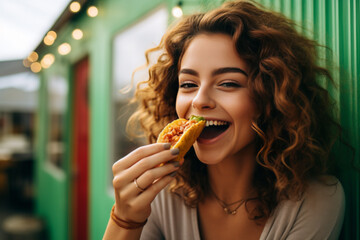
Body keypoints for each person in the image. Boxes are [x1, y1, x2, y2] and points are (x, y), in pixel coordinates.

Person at [103, 1, 345, 239]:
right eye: (188, 84)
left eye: (228, 83)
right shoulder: (160, 191)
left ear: (271, 95)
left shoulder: (315, 200)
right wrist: (125, 219)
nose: (199, 101)